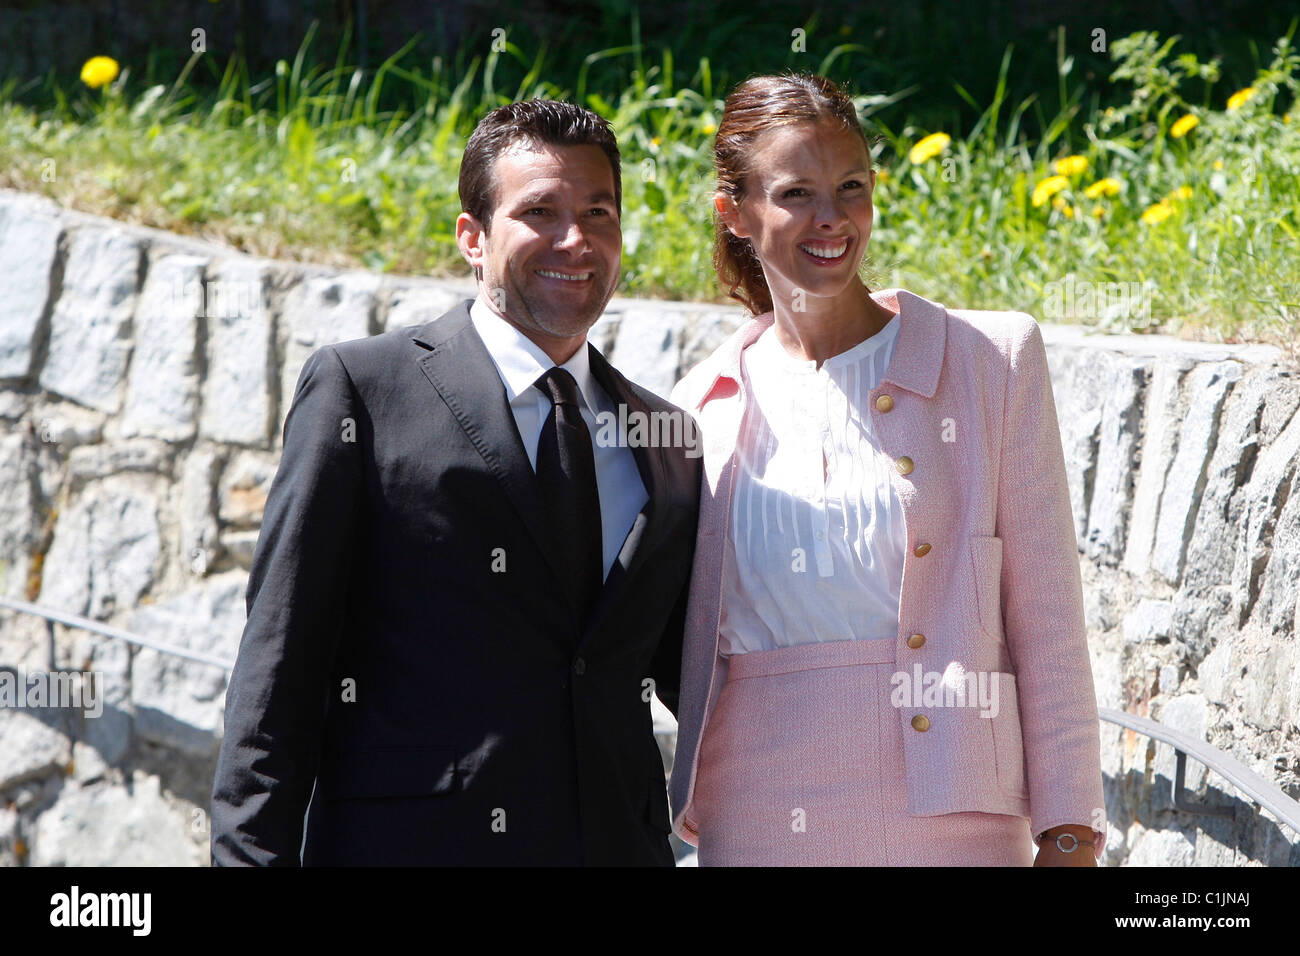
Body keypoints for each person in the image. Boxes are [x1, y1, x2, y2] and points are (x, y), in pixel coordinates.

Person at [210, 99, 701, 866]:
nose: (576, 239)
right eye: (539, 210)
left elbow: (688, 673)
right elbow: (281, 666)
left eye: (598, 212)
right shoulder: (362, 391)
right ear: (472, 237)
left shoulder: (666, 439)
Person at [667, 73, 1107, 866]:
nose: (831, 218)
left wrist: (1071, 831)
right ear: (733, 212)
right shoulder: (698, 405)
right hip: (755, 813)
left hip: (957, 816)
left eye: (851, 187)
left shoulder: (990, 362)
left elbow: (1047, 619)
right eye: (796, 193)